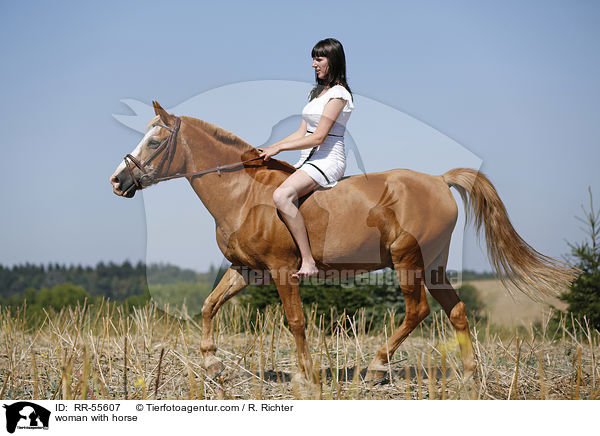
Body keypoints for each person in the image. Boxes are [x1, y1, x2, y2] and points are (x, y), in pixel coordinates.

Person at [257, 38, 354, 279]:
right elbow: (302, 133)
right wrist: (271, 147)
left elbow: (318, 137)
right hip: (308, 159)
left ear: (332, 61)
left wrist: (280, 150)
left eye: (319, 59)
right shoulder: (316, 93)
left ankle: (308, 261)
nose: (313, 64)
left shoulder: (339, 95)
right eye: (313, 59)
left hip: (328, 159)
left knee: (281, 195)